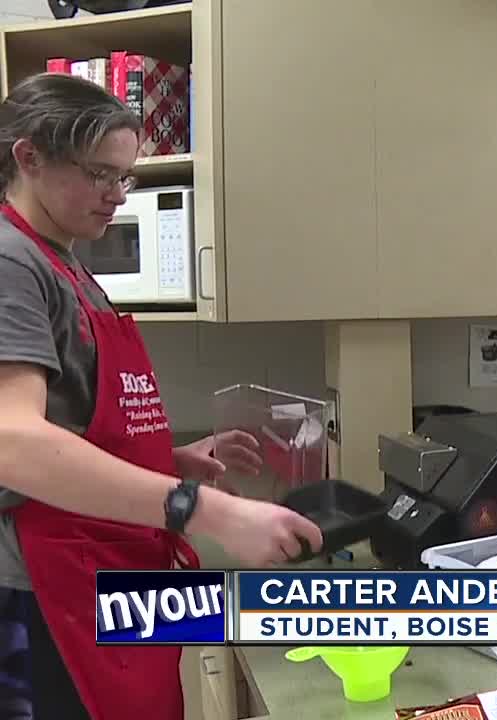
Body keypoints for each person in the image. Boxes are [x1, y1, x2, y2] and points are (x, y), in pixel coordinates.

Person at [0, 73, 324, 719]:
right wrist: (203, 509)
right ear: (28, 156)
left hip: (102, 556)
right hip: (42, 587)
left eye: (127, 178)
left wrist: (167, 459)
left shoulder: (63, 260)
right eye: (100, 173)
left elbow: (73, 425)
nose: (116, 195)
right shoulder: (11, 262)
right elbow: (12, 441)